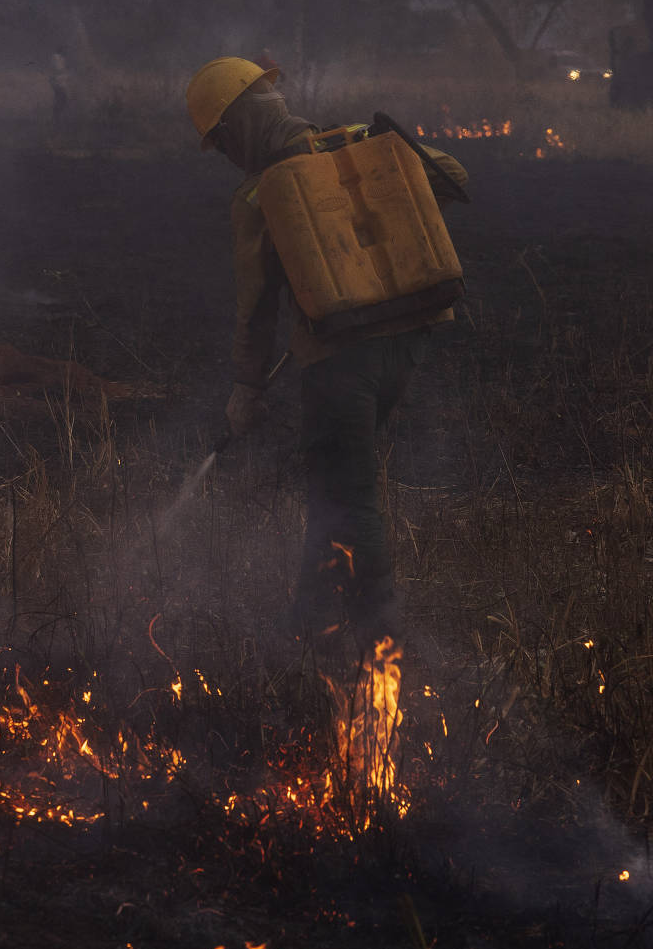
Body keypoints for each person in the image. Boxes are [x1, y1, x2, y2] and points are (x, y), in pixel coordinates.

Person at [184, 56, 470, 645]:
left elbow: (256, 307)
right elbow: (455, 178)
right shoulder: (360, 143)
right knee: (331, 489)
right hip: (407, 343)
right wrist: (387, 158)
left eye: (219, 143)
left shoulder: (258, 196)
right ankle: (310, 618)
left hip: (338, 365)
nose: (224, 155)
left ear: (237, 129)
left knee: (348, 494)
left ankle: (381, 633)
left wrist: (246, 388)